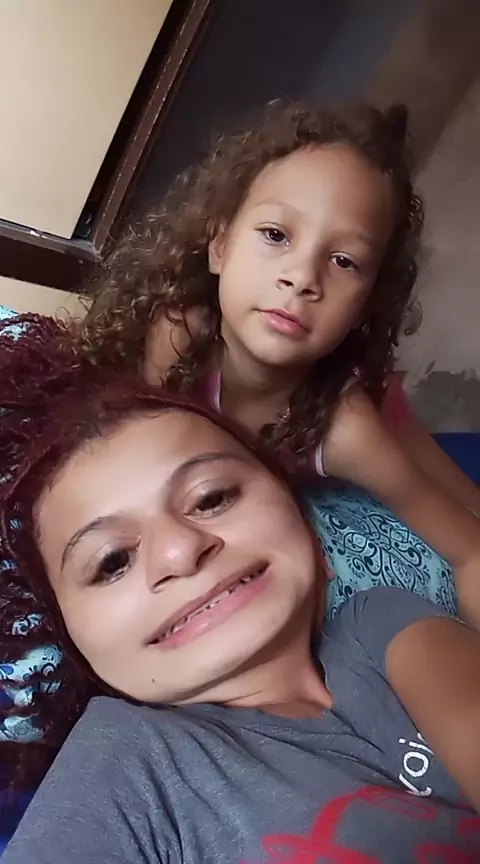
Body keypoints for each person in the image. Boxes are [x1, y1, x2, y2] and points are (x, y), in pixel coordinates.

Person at [2, 316, 480, 863]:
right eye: (111, 561)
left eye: (212, 498)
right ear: (72, 639)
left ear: (302, 522)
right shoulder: (120, 766)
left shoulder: (383, 624)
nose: (181, 550)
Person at [77, 100, 480, 622]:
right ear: (220, 246)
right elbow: (138, 459)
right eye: (276, 235)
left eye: (343, 261)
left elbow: (468, 550)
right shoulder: (179, 338)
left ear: (366, 305)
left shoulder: (347, 431)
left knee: (460, 495)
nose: (302, 277)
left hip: (376, 408)